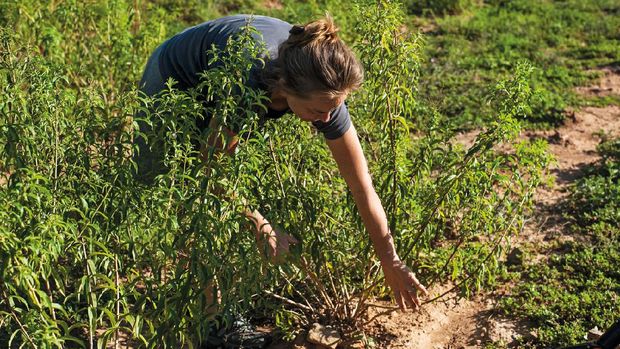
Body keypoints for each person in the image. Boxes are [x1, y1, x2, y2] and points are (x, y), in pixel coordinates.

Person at [136, 13, 428, 346]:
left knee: (217, 193)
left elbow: (363, 187)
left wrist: (390, 261)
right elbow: (212, 171)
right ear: (287, 89)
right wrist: (261, 224)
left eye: (335, 108)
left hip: (227, 82)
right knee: (153, 185)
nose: (327, 118)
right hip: (174, 78)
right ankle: (208, 321)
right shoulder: (248, 82)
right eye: (320, 110)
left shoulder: (325, 94)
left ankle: (215, 316)